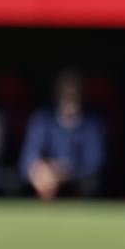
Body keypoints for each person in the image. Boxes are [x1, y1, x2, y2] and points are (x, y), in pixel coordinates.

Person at [19, 70, 105, 200]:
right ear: (57, 96)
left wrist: (61, 173)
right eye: (65, 96)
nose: (70, 102)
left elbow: (94, 164)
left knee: (91, 183)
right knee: (15, 182)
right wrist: (38, 172)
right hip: (44, 183)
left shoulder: (92, 123)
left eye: (74, 96)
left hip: (76, 183)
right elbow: (27, 158)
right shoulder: (42, 119)